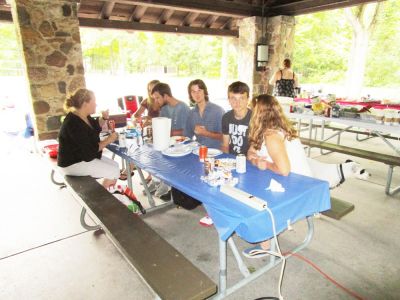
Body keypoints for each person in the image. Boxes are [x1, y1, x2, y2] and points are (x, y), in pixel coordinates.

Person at [244, 94, 366, 258]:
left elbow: (284, 170)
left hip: (298, 185)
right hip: (296, 179)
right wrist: (253, 156)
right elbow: (251, 150)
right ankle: (268, 231)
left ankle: (266, 244)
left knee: (254, 196)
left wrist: (264, 164)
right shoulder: (272, 129)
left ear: (258, 114)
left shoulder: (272, 136)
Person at [57, 89, 119, 189]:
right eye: (94, 101)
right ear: (85, 103)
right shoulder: (73, 123)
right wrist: (109, 140)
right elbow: (89, 152)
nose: (96, 104)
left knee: (115, 166)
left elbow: (93, 127)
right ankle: (102, 201)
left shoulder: (83, 116)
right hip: (71, 164)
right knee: (114, 171)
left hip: (80, 158)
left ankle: (104, 194)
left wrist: (103, 118)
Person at [150, 82, 191, 198]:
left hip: (182, 146)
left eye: (157, 97)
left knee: (163, 156)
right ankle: (158, 180)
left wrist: (165, 132)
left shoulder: (183, 108)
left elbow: (186, 131)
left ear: (166, 96)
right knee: (153, 153)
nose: (156, 101)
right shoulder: (164, 108)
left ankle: (167, 185)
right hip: (168, 143)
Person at [185, 79, 224, 149]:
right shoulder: (191, 113)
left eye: (199, 90)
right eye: (193, 92)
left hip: (216, 152)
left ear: (205, 92)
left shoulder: (217, 111)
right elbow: (187, 136)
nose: (197, 94)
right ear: (190, 95)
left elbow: (224, 137)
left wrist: (206, 133)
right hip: (198, 151)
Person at [221, 81, 252, 155]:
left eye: (241, 98)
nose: (237, 103)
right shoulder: (226, 117)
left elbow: (255, 151)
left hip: (249, 161)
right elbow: (225, 145)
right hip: (231, 158)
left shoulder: (255, 118)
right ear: (228, 100)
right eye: (233, 98)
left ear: (248, 99)